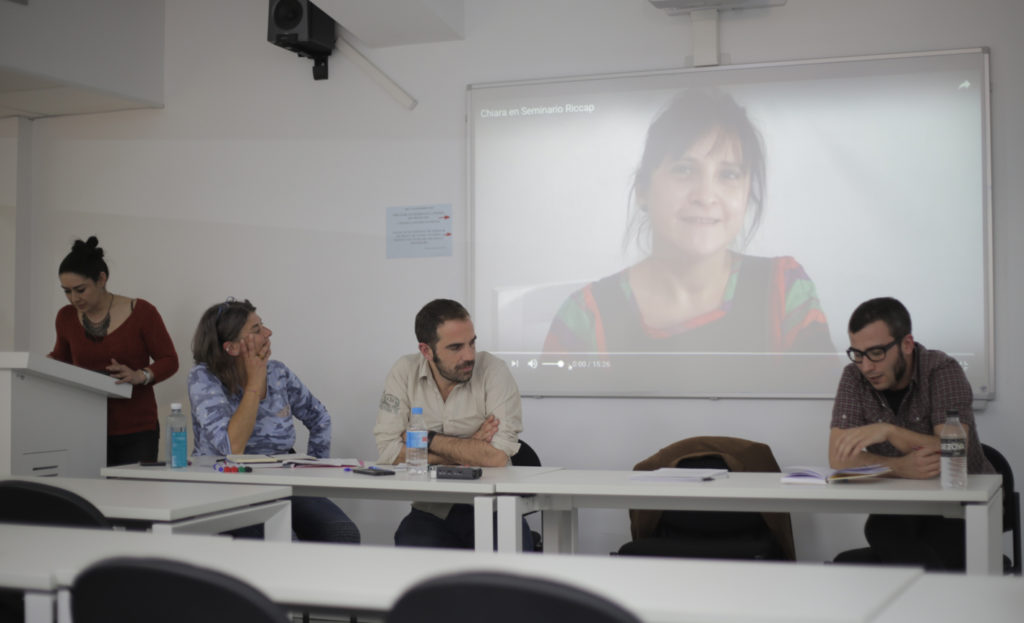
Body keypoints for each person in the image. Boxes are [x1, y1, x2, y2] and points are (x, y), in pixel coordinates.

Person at [543, 89, 833, 354]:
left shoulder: (785, 290)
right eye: (684, 170)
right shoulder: (584, 316)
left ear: (747, 195)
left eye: (729, 174)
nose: (706, 196)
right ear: (643, 190)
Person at [829, 296, 995, 570]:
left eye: (876, 353)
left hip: (964, 507)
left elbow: (954, 449)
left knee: (884, 541)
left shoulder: (942, 370)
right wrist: (899, 467)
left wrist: (889, 432)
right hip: (903, 510)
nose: (866, 366)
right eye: (857, 354)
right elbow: (839, 458)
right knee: (879, 530)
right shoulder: (853, 377)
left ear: (906, 344)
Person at [188, 298, 360, 544]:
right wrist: (255, 384)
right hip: (227, 485)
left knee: (342, 532)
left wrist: (316, 475)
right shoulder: (203, 378)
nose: (268, 333)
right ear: (232, 347)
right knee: (282, 543)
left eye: (263, 325)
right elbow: (231, 446)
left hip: (283, 479)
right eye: (256, 329)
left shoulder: (278, 372)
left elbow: (319, 416)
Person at [374, 298, 532, 548]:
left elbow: (496, 458)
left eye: (472, 343)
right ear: (426, 351)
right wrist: (469, 450)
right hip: (432, 510)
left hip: (494, 506)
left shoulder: (494, 371)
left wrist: (429, 439)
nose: (469, 355)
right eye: (456, 347)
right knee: (412, 563)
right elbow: (389, 452)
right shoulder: (404, 372)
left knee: (507, 576)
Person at [49, 236, 179, 466]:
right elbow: (61, 360)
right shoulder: (65, 317)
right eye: (66, 291)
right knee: (89, 498)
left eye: (80, 289)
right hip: (85, 428)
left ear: (101, 279)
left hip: (137, 428)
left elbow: (170, 360)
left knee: (135, 496)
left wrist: (141, 375)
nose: (74, 298)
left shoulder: (142, 312)